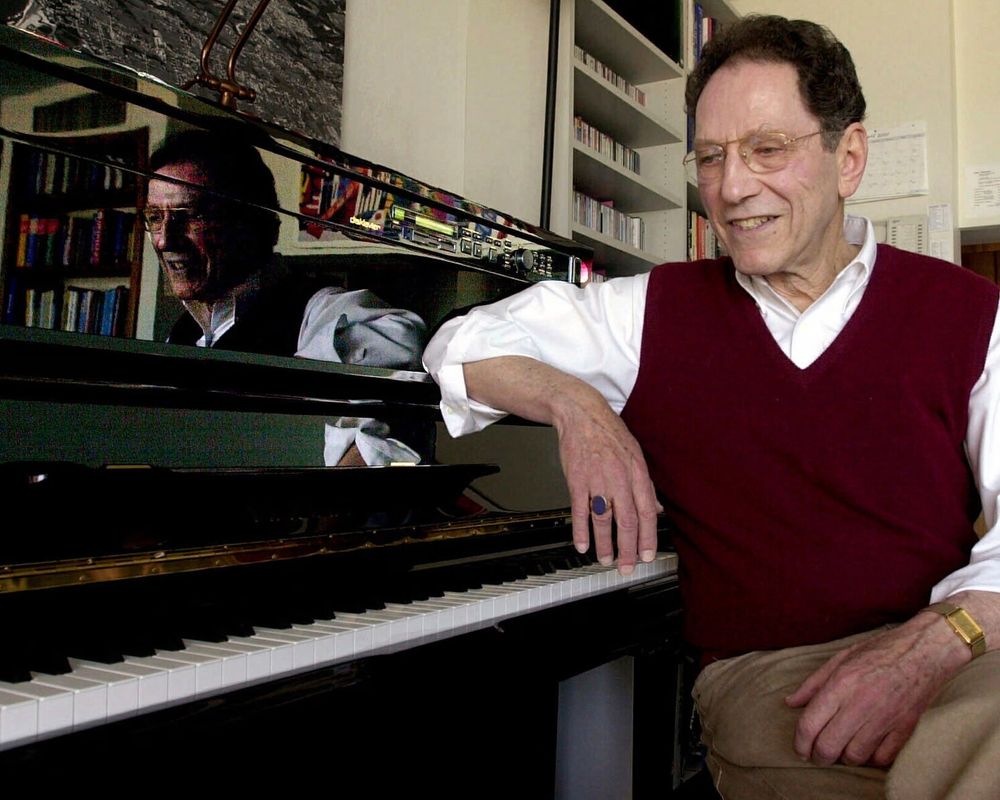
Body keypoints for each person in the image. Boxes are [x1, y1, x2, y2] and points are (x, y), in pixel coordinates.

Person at [422, 15, 1000, 799]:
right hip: (771, 681)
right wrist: (577, 405)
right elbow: (460, 344)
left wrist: (935, 645)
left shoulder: (971, 313)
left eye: (768, 149)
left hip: (958, 657)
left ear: (848, 157)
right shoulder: (650, 312)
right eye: (711, 157)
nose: (731, 188)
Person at [145, 130, 428, 466]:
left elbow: (381, 448)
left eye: (190, 216)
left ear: (257, 226)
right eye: (154, 217)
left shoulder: (327, 313)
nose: (163, 241)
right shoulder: (180, 335)